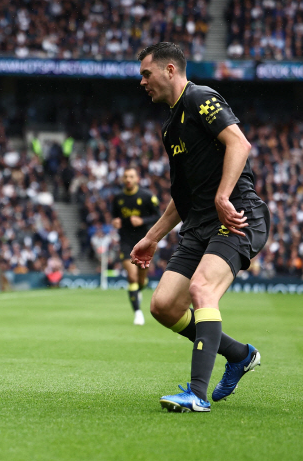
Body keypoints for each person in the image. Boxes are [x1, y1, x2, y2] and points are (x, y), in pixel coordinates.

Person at [132, 42, 270, 412]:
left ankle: (196, 393)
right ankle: (239, 355)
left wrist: (224, 197)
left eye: (147, 74)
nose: (142, 81)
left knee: (201, 289)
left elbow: (239, 144)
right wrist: (151, 238)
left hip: (236, 215)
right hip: (200, 224)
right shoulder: (169, 128)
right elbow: (185, 196)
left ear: (170, 70)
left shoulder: (201, 98)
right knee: (163, 305)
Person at [111, 167, 160, 325]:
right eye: (125, 176)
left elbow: (159, 216)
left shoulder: (146, 196)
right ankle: (138, 312)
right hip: (125, 241)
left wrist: (142, 221)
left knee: (141, 280)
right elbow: (115, 216)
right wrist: (115, 221)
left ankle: (138, 290)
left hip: (143, 241)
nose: (128, 179)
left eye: (131, 176)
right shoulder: (118, 198)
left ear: (137, 179)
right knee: (132, 277)